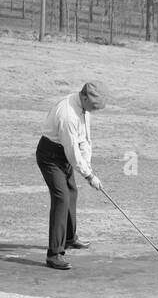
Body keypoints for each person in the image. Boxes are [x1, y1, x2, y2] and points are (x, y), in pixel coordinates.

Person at [36, 81, 108, 270]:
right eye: (93, 106)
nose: (94, 111)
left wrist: (89, 167)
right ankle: (54, 254)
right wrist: (89, 176)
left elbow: (84, 140)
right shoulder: (68, 115)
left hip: (64, 154)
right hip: (50, 156)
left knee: (72, 193)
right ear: (84, 97)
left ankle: (69, 238)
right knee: (62, 198)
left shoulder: (83, 109)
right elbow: (72, 153)